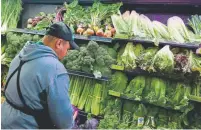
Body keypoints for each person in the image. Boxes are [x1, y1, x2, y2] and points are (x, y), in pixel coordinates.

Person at [1, 22, 79, 129]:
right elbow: (63, 121)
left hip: (5, 120)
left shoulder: (21, 55)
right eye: (68, 49)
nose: (66, 53)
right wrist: (71, 122)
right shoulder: (55, 69)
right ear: (59, 43)